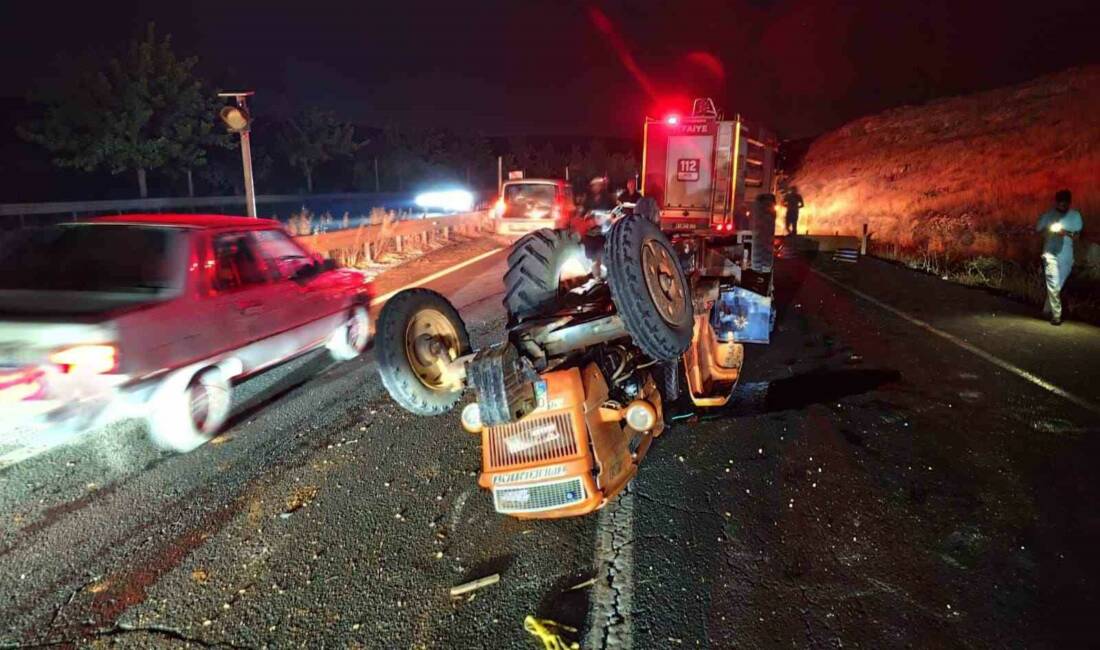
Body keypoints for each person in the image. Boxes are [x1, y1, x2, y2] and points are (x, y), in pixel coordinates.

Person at [1035, 189, 1084, 325]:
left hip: (1066, 255)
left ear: (1069, 203)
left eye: (1065, 203)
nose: (1062, 205)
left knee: (1057, 285)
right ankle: (1056, 315)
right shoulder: (1049, 215)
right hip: (1050, 253)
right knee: (1053, 282)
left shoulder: (1075, 216)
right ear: (1056, 202)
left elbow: (1078, 236)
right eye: (1060, 203)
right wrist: (1047, 228)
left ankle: (1046, 309)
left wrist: (1065, 232)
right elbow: (1038, 228)